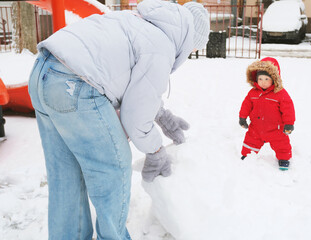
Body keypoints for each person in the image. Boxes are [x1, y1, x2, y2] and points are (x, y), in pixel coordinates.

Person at [28, 0, 210, 239]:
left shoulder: (135, 21)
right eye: (193, 50)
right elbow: (135, 117)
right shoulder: (160, 45)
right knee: (114, 168)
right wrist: (155, 151)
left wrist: (162, 115)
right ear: (189, 39)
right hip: (75, 84)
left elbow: (127, 81)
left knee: (66, 173)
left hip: (42, 73)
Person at [238, 57, 295, 171]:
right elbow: (246, 105)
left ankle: (284, 159)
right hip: (257, 127)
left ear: (274, 79)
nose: (263, 82)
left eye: (266, 79)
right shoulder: (253, 93)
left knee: (282, 145)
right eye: (260, 78)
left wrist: (289, 124)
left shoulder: (280, 94)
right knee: (250, 140)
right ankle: (247, 155)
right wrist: (242, 118)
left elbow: (288, 109)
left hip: (276, 129)